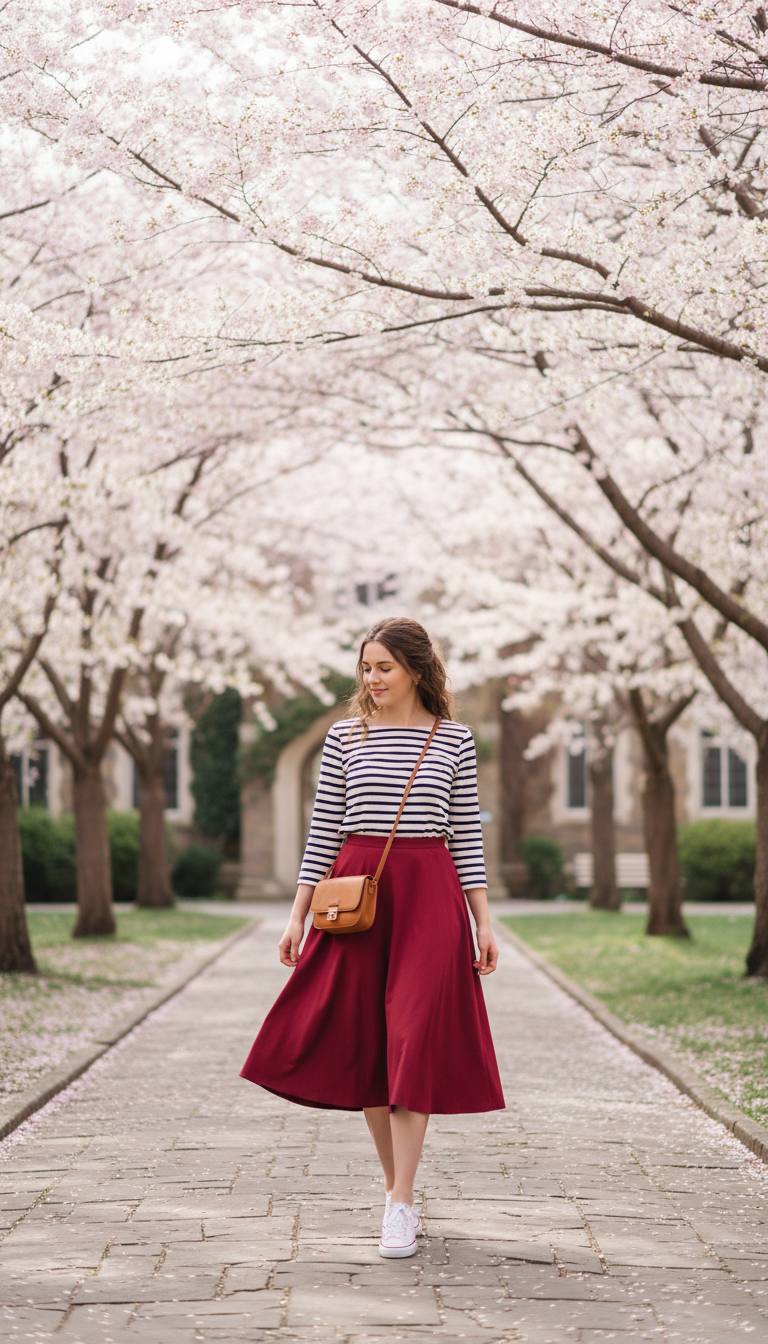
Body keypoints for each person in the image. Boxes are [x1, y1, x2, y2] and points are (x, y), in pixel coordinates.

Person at [241, 616, 504, 1258]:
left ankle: (400, 1201)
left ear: (416, 669)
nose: (372, 678)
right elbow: (324, 831)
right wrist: (296, 915)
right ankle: (398, 1191)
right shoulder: (343, 738)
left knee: (413, 1037)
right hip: (356, 897)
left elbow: (464, 833)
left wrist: (483, 919)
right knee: (372, 1046)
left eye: (383, 667)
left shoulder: (453, 740)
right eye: (366, 667)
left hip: (429, 900)